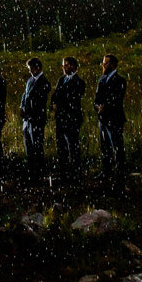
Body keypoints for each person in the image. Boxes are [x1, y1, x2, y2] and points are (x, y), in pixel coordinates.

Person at [50, 56, 86, 182]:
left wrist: (60, 103)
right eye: (63, 65)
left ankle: (75, 173)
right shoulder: (61, 80)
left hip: (72, 118)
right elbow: (55, 94)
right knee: (61, 147)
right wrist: (54, 104)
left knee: (73, 147)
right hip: (61, 118)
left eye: (67, 65)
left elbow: (73, 99)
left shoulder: (79, 82)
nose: (64, 68)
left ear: (73, 66)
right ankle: (64, 172)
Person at [94, 54, 127, 186]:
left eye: (106, 63)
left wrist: (105, 107)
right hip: (103, 118)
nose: (103, 65)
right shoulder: (102, 79)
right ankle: (106, 170)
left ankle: (120, 172)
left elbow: (117, 99)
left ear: (113, 65)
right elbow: (96, 97)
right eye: (103, 63)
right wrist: (98, 107)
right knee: (105, 146)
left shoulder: (120, 80)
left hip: (114, 118)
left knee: (117, 146)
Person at [19, 57, 52, 183]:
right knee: (29, 146)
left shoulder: (44, 83)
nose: (30, 71)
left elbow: (38, 102)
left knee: (37, 146)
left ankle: (39, 172)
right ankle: (32, 172)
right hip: (28, 119)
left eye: (32, 68)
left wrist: (29, 110)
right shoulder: (30, 81)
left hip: (36, 119)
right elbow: (25, 95)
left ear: (38, 68)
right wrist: (22, 107)